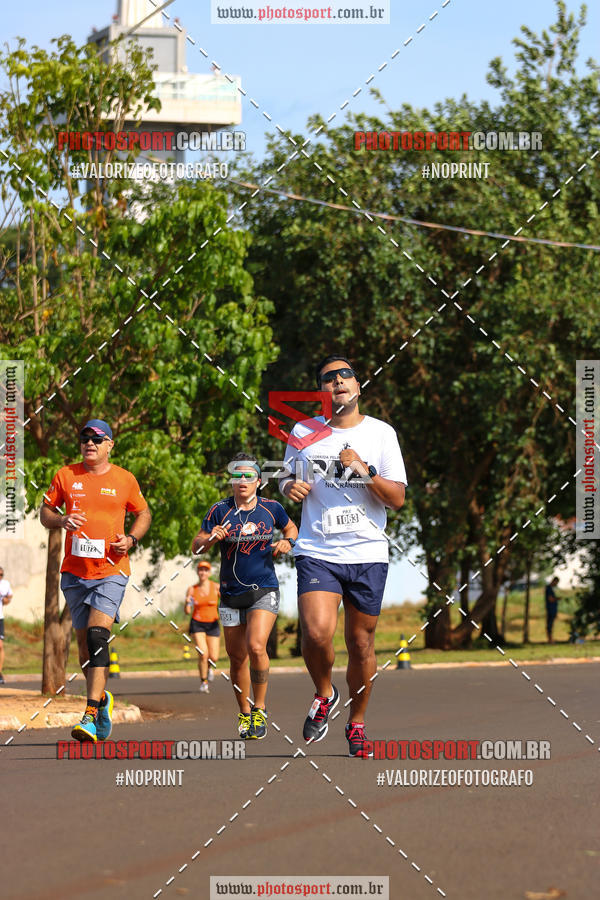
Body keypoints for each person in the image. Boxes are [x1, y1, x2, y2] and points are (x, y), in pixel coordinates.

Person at [280, 356, 407, 757]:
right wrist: (289, 489)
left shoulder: (382, 433)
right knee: (316, 632)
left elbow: (398, 498)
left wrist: (364, 469)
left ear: (357, 384)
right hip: (318, 549)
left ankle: (357, 724)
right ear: (322, 390)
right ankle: (324, 693)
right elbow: (286, 477)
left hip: (367, 551)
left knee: (360, 642)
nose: (337, 382)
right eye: (328, 379)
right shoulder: (303, 431)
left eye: (344, 375)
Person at [40, 419, 151, 743]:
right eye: (85, 438)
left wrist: (131, 539)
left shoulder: (124, 479)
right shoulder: (65, 475)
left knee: (98, 634)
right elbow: (45, 511)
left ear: (110, 445)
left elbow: (143, 513)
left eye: (97, 439)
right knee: (85, 650)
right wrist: (61, 519)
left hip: (111, 570)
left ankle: (89, 714)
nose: (90, 443)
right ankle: (102, 700)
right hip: (75, 572)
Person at [192, 452, 298, 740]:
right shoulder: (219, 510)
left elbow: (291, 528)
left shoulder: (271, 508)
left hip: (264, 589)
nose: (242, 481)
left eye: (248, 476)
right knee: (236, 657)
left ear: (258, 481)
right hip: (229, 594)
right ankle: (244, 713)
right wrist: (210, 538)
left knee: (256, 646)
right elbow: (196, 546)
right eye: (236, 475)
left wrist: (287, 542)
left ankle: (260, 709)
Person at [185, 561, 220, 692]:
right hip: (197, 623)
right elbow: (187, 611)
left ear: (209, 573)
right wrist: (187, 602)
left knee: (214, 657)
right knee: (203, 654)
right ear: (197, 572)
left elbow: (226, 603)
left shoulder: (216, 587)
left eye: (206, 570)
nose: (203, 572)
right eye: (201, 570)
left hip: (213, 624)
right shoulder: (192, 589)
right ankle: (204, 681)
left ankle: (209, 669)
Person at [0, 566, 13, 684]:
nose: (0, 577)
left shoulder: (5, 584)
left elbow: (9, 596)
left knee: (0, 646)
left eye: (1, 575)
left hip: (0, 618)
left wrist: (6, 601)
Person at [545, 576, 560, 643]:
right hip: (550, 610)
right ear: (554, 581)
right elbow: (550, 599)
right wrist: (557, 599)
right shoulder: (549, 589)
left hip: (552, 609)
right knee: (549, 625)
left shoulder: (550, 588)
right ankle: (550, 639)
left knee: (551, 624)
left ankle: (551, 639)